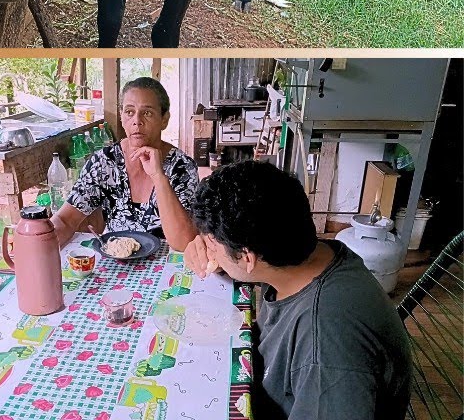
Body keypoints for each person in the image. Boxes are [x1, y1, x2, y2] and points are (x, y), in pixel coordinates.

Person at [184, 161, 412, 420]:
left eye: (212, 245)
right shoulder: (309, 253)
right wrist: (216, 254)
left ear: (248, 258)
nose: (207, 249)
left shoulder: (324, 344)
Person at [53, 77, 199, 251]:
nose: (137, 120)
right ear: (121, 116)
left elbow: (184, 243)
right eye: (129, 112)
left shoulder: (182, 167)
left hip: (165, 267)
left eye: (147, 113)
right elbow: (65, 220)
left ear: (164, 119)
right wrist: (38, 242)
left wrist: (159, 177)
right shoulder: (103, 163)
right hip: (117, 265)